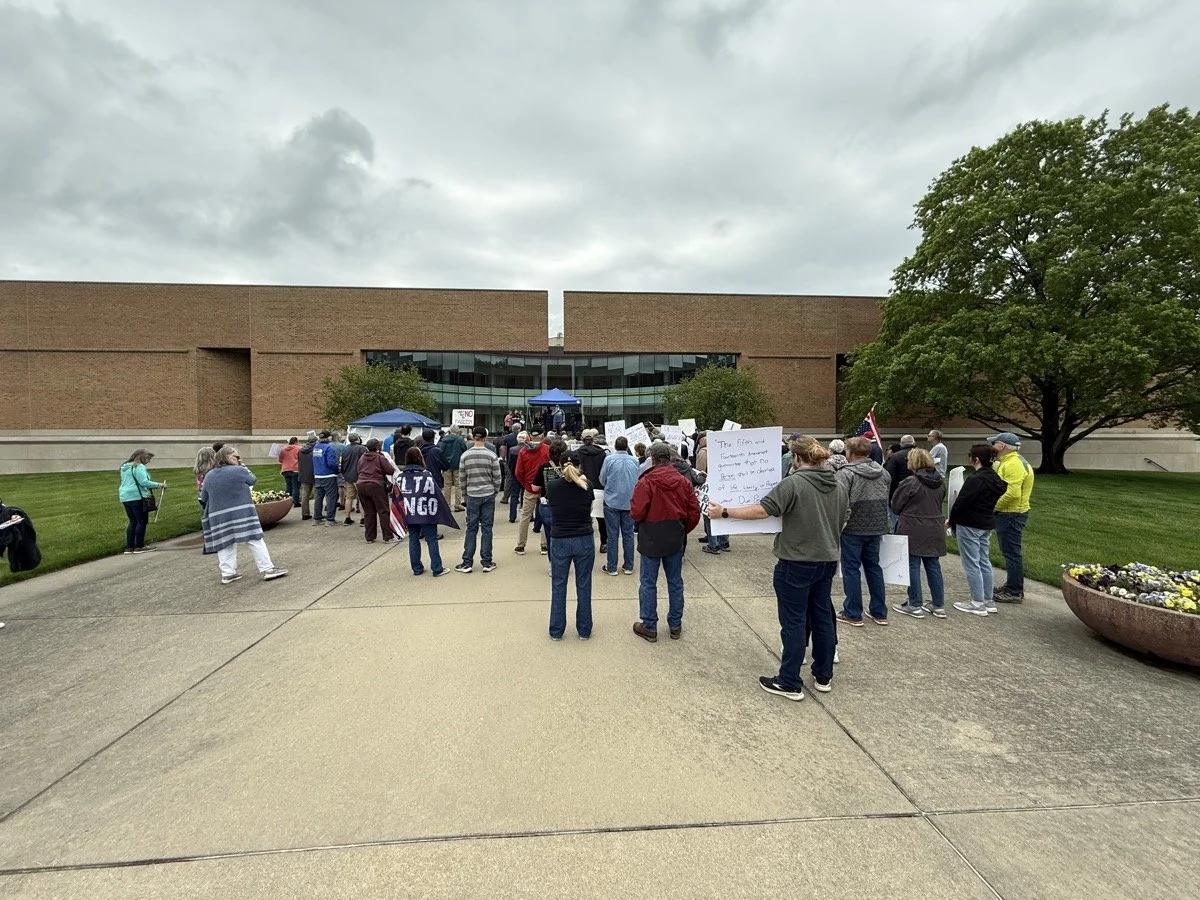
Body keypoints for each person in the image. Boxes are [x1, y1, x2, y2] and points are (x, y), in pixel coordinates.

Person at [710, 436, 849, 700]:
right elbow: (845, 518)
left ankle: (789, 681)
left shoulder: (794, 483)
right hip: (827, 559)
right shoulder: (838, 484)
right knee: (822, 617)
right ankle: (823, 674)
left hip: (796, 560)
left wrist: (725, 512)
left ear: (796, 458)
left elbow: (764, 510)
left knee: (794, 621)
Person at [630, 443, 701, 642]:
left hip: (651, 535)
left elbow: (636, 511)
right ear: (669, 459)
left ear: (652, 459)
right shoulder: (683, 481)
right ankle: (675, 624)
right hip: (674, 535)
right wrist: (682, 529)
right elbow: (693, 511)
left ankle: (649, 624)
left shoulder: (646, 481)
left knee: (648, 582)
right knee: (675, 582)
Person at [200, 446, 288, 584]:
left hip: (218, 516)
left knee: (225, 543)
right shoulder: (239, 470)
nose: (239, 458)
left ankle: (228, 573)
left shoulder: (209, 475)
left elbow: (204, 497)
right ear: (227, 457)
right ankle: (268, 569)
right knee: (255, 539)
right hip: (242, 512)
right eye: (236, 456)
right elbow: (253, 480)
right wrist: (242, 464)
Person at [836, 436, 892, 627]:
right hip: (876, 525)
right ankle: (879, 611)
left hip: (852, 527)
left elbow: (840, 502)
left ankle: (852, 612)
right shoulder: (883, 473)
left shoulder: (845, 474)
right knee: (873, 567)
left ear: (849, 453)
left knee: (851, 569)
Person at [950, 443, 1007, 616]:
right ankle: (988, 600)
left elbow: (961, 502)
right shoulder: (995, 479)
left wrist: (951, 521)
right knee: (983, 560)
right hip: (986, 522)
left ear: (975, 459)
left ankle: (977, 602)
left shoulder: (976, 479)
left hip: (970, 523)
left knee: (971, 563)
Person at [544, 447, 595, 640]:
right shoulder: (587, 485)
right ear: (579, 465)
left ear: (559, 465)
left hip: (560, 539)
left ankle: (556, 630)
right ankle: (584, 629)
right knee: (584, 584)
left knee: (558, 585)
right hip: (583, 538)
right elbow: (588, 508)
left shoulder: (552, 487)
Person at [891, 448, 947, 618]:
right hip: (934, 526)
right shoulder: (940, 482)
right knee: (933, 565)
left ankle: (915, 603)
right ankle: (938, 604)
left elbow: (895, 504)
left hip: (913, 527)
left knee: (912, 565)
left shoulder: (911, 482)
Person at [990, 432, 1035, 603]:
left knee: (1011, 553)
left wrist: (993, 507)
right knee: (1009, 552)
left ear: (1002, 446)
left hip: (1012, 513)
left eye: (994, 444)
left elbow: (1012, 494)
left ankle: (1014, 591)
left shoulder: (1014, 464)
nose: (992, 447)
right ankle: (1011, 585)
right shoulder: (1009, 462)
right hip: (1011, 512)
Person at [455, 426, 503, 573]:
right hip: (488, 493)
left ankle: (467, 562)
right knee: (487, 528)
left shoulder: (465, 456)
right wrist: (494, 491)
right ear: (485, 437)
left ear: (473, 437)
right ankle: (487, 562)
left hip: (472, 494)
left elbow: (462, 478)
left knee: (471, 528)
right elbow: (497, 477)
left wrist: (465, 494)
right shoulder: (491, 455)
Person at [398, 447, 449, 577]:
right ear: (420, 458)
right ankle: (437, 568)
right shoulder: (427, 475)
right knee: (431, 539)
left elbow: (397, 497)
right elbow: (435, 493)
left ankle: (417, 568)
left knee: (413, 538)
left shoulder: (400, 477)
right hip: (426, 511)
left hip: (410, 512)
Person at [598, 436, 639, 575]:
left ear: (615, 446)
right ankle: (628, 566)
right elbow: (638, 480)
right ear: (627, 446)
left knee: (612, 535)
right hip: (629, 501)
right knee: (628, 535)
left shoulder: (609, 459)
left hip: (612, 500)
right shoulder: (634, 461)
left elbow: (602, 479)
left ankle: (612, 567)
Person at [118, 449, 163, 554]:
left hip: (125, 496)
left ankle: (130, 547)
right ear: (142, 457)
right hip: (136, 496)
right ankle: (139, 545)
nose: (149, 461)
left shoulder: (124, 467)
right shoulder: (139, 467)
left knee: (133, 521)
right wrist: (159, 485)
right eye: (148, 458)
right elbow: (144, 482)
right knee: (141, 521)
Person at [514, 428, 550, 555]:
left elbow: (518, 472)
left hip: (529, 487)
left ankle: (521, 545)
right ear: (542, 435)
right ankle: (545, 545)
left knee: (525, 516)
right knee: (546, 516)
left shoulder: (523, 451)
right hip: (545, 488)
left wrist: (526, 485)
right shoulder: (547, 449)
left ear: (530, 436)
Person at [355, 438, 397, 543]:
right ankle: (388, 536)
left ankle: (369, 537)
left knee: (369, 512)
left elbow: (358, 470)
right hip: (376, 485)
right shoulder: (380, 458)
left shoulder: (362, 457)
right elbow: (390, 470)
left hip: (361, 484)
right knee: (383, 511)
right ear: (378, 447)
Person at [695, 434, 729, 554]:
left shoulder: (703, 452)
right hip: (724, 485)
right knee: (723, 512)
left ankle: (713, 544)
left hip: (710, 487)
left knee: (709, 515)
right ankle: (724, 541)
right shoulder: (723, 449)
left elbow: (700, 472)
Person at [577, 429, 608, 552]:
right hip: (599, 486)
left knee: (584, 517)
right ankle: (604, 542)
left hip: (583, 486)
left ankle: (585, 543)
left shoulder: (578, 452)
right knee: (601, 518)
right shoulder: (602, 453)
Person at [883, 435, 916, 529]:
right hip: (920, 494)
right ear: (913, 443)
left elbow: (889, 476)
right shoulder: (923, 454)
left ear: (901, 444)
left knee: (896, 522)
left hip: (898, 492)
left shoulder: (895, 457)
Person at [311, 430, 340, 526]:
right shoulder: (329, 448)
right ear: (329, 438)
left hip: (318, 475)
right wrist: (338, 467)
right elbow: (331, 463)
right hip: (328, 475)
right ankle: (330, 519)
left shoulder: (315, 447)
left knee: (318, 497)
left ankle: (317, 518)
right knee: (331, 497)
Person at [438, 426, 469, 512]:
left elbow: (440, 452)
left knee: (447, 485)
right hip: (458, 464)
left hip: (446, 465)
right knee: (458, 485)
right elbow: (464, 450)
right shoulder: (460, 440)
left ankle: (447, 505)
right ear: (457, 431)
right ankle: (457, 505)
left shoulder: (444, 440)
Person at [339, 433, 367, 525]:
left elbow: (342, 463)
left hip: (348, 477)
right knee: (362, 498)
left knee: (349, 497)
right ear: (357, 439)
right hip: (360, 476)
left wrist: (344, 474)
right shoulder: (362, 449)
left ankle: (347, 518)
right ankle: (363, 519)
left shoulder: (345, 449)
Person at [506, 428, 527, 523]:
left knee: (514, 496)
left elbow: (509, 463)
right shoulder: (528, 449)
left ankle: (512, 516)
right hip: (526, 475)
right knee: (526, 495)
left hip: (515, 475)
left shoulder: (512, 450)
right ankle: (528, 516)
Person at [298, 431, 317, 520]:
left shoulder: (300, 451)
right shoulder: (315, 450)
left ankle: (305, 513)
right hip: (314, 473)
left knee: (305, 495)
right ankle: (317, 513)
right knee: (318, 494)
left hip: (303, 474)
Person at [278, 438, 301, 507]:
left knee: (288, 487)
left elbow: (280, 460)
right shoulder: (299, 448)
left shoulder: (283, 449)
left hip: (285, 469)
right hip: (295, 469)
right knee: (296, 487)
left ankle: (288, 502)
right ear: (296, 442)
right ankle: (296, 502)